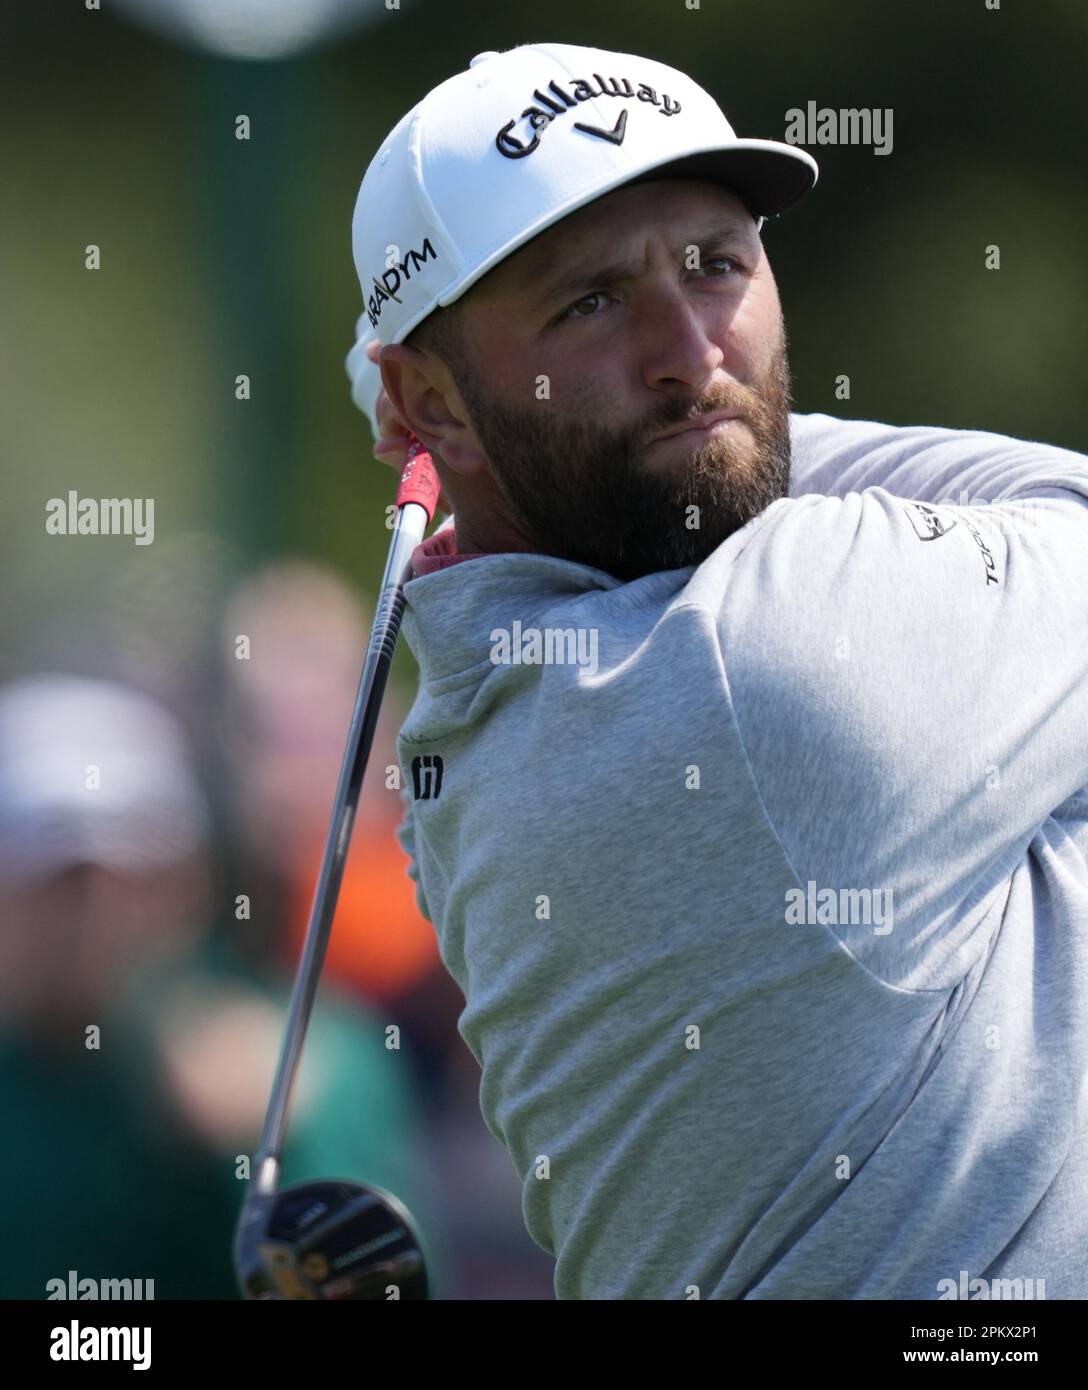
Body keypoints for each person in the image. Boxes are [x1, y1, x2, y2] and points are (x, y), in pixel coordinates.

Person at [344, 42, 1088, 1299]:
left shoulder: (464, 722)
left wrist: (652, 429)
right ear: (435, 405)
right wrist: (726, 420)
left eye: (716, 266)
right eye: (588, 303)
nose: (687, 349)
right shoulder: (763, 666)